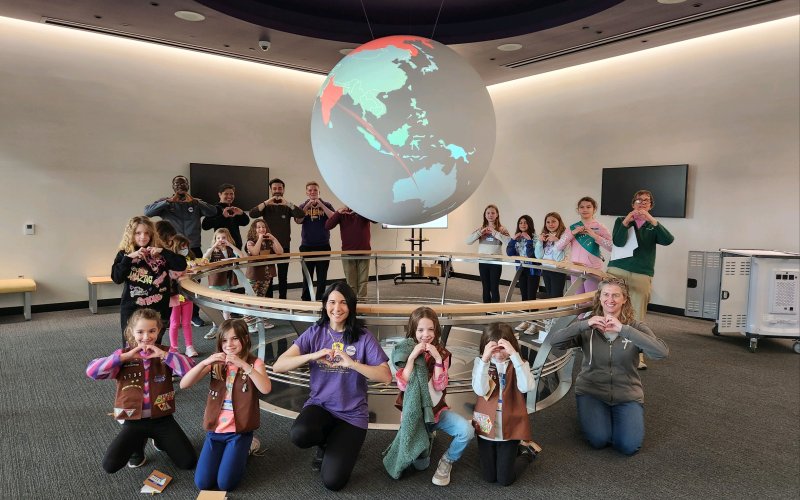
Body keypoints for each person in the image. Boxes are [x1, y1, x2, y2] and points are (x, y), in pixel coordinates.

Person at [273, 282, 391, 491]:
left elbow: (386, 376)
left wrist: (352, 363)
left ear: (351, 306)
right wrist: (313, 355)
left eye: (343, 303)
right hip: (321, 406)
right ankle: (326, 443)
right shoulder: (315, 332)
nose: (337, 308)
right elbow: (278, 366)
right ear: (325, 305)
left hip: (352, 415)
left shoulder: (363, 337)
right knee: (299, 434)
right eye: (332, 302)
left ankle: (341, 443)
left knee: (333, 482)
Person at [548, 277, 669, 455]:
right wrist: (583, 324)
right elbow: (555, 342)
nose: (610, 300)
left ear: (624, 299)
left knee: (628, 447)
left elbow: (661, 352)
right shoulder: (589, 326)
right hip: (591, 391)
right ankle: (598, 417)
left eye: (616, 295)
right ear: (599, 297)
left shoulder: (634, 327)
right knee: (598, 440)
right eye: (606, 294)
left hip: (627, 394)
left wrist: (624, 330)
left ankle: (614, 418)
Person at [86, 308, 197, 472]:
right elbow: (92, 371)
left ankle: (159, 440)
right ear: (132, 332)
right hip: (133, 421)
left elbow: (191, 371)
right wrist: (123, 357)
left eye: (152, 331)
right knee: (110, 465)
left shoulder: (166, 352)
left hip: (162, 418)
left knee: (188, 462)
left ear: (158, 330)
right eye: (140, 332)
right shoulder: (123, 355)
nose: (146, 337)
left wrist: (164, 356)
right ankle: (138, 445)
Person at [384, 307, 474, 486]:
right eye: (420, 330)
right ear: (413, 331)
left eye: (430, 329)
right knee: (421, 466)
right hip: (415, 415)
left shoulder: (442, 354)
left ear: (437, 330)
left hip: (436, 412)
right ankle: (428, 438)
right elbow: (402, 383)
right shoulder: (405, 350)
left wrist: (438, 360)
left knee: (467, 431)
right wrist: (412, 359)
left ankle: (447, 460)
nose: (426, 334)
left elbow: (440, 386)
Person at [180, 319, 271, 492]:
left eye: (235, 338)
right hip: (215, 431)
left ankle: (248, 446)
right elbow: (184, 384)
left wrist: (243, 364)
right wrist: (205, 362)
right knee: (203, 483)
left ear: (245, 338)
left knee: (226, 484)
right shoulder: (217, 363)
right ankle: (230, 453)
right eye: (224, 340)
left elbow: (265, 388)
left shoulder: (254, 363)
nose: (229, 344)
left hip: (239, 432)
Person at [607, 190, 675, 370]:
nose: (642, 203)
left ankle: (637, 354)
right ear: (632, 204)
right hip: (617, 270)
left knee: (636, 316)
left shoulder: (653, 226)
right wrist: (626, 221)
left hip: (641, 273)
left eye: (646, 201)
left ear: (651, 205)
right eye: (638, 200)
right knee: (610, 308)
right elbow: (618, 242)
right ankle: (607, 351)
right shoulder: (621, 221)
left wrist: (652, 220)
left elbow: (668, 240)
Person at [145, 175, 217, 327]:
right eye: (177, 184)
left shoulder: (195, 202)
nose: (180, 187)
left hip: (193, 247)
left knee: (194, 281)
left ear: (188, 186)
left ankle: (193, 315)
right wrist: (168, 201)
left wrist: (196, 201)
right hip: (171, 249)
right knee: (170, 283)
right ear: (173, 187)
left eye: (183, 184)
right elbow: (148, 212)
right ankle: (171, 315)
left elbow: (213, 211)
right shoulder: (166, 202)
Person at [472, 323, 536, 486]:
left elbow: (526, 387)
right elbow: (480, 390)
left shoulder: (519, 364)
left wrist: (514, 356)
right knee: (489, 477)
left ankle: (528, 454)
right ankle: (504, 454)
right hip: (486, 424)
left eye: (502, 348)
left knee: (505, 479)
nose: (499, 353)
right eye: (494, 348)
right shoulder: (481, 364)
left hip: (510, 424)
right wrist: (485, 360)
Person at [111, 216, 186, 347]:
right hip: (132, 308)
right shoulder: (125, 254)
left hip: (158, 308)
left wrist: (163, 252)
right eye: (138, 233)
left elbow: (181, 265)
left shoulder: (160, 252)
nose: (143, 237)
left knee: (154, 344)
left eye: (146, 233)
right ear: (131, 234)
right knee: (131, 345)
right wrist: (129, 258)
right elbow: (117, 278)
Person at [248, 178, 305, 299]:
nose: (277, 191)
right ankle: (269, 301)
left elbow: (301, 215)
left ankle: (283, 300)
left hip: (284, 246)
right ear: (271, 190)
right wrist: (269, 201)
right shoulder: (267, 207)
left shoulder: (287, 206)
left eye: (280, 188)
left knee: (283, 276)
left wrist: (287, 202)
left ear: (283, 189)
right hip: (267, 248)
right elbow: (252, 214)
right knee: (268, 276)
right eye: (274, 188)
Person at [556, 196, 612, 295]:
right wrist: (572, 233)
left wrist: (595, 236)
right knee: (578, 302)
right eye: (582, 207)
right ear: (578, 210)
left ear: (594, 209)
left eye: (588, 207)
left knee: (590, 302)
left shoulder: (599, 227)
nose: (585, 209)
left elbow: (611, 247)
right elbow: (558, 247)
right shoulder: (572, 227)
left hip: (593, 269)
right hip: (575, 269)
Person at [294, 181, 335, 301]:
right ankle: (306, 299)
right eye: (310, 190)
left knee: (322, 277)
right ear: (307, 192)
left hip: (323, 246)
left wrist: (321, 205)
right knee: (307, 276)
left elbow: (333, 217)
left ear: (319, 192)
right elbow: (298, 220)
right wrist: (307, 206)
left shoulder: (327, 204)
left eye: (315, 190)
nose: (313, 192)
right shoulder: (302, 205)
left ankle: (321, 300)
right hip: (307, 246)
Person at [202, 228, 245, 338]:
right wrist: (213, 246)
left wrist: (230, 245)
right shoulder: (213, 250)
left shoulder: (230, 249)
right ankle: (215, 326)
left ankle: (227, 326)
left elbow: (242, 256)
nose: (221, 240)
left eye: (224, 238)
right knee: (215, 305)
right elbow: (204, 258)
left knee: (226, 304)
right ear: (215, 239)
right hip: (215, 281)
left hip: (227, 280)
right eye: (218, 238)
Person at [325, 206, 374, 300]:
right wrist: (338, 213)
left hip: (364, 252)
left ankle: (362, 306)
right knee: (351, 283)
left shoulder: (363, 211)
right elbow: (328, 226)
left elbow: (375, 220)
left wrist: (363, 210)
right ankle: (353, 305)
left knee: (363, 282)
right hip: (348, 253)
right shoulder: (342, 214)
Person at [466, 204, 511, 303]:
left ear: (497, 215)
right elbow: (468, 241)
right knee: (485, 288)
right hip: (483, 262)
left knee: (494, 288)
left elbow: (509, 242)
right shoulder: (481, 229)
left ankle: (494, 313)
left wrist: (495, 233)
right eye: (488, 213)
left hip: (496, 263)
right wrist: (480, 233)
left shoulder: (502, 229)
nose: (490, 215)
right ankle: (487, 313)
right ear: (485, 215)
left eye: (493, 213)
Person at [244, 219, 284, 330]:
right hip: (254, 275)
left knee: (261, 298)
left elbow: (280, 251)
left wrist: (274, 239)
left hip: (266, 275)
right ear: (254, 229)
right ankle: (249, 323)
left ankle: (260, 322)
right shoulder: (250, 242)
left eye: (263, 227)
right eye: (259, 227)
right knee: (250, 299)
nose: (262, 229)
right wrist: (260, 239)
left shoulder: (269, 241)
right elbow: (255, 252)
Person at [507, 214, 540, 334]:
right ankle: (525, 320)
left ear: (529, 224)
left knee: (532, 297)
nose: (523, 225)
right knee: (524, 296)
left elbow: (532, 255)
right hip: (521, 269)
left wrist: (529, 241)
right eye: (520, 223)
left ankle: (534, 323)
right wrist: (513, 240)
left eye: (525, 223)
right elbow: (510, 253)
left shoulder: (535, 238)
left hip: (532, 270)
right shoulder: (517, 237)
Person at [166, 235, 198, 357]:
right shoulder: (170, 263)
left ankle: (189, 346)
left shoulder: (188, 260)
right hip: (175, 297)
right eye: (182, 247)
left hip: (186, 296)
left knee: (186, 323)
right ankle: (173, 348)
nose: (184, 249)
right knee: (174, 323)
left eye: (186, 247)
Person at [201, 183, 249, 249]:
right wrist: (223, 216)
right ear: (220, 194)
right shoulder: (215, 209)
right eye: (226, 194)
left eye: (231, 194)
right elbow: (205, 226)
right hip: (222, 248)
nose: (229, 196)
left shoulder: (233, 209)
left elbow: (245, 222)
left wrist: (242, 213)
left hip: (236, 248)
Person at [534, 212, 568, 299]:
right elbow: (539, 256)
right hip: (546, 269)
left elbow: (559, 258)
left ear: (559, 222)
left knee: (556, 296)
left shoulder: (564, 236)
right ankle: (551, 311)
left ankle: (556, 312)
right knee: (549, 295)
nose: (550, 224)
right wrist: (539, 242)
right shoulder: (544, 235)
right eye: (548, 222)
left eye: (553, 221)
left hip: (558, 270)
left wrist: (557, 241)